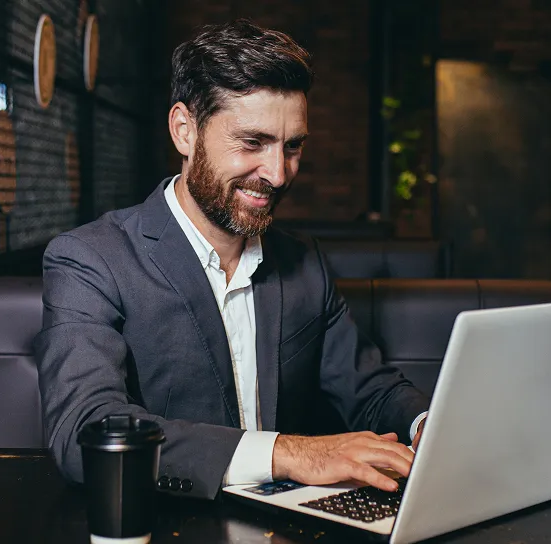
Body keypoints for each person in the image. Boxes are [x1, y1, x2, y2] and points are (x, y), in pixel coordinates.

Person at [34, 18, 430, 501]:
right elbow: (85, 431)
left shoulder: (304, 260)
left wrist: (427, 425)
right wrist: (288, 453)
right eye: (252, 142)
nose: (278, 173)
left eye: (293, 146)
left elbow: (371, 388)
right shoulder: (91, 259)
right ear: (184, 130)